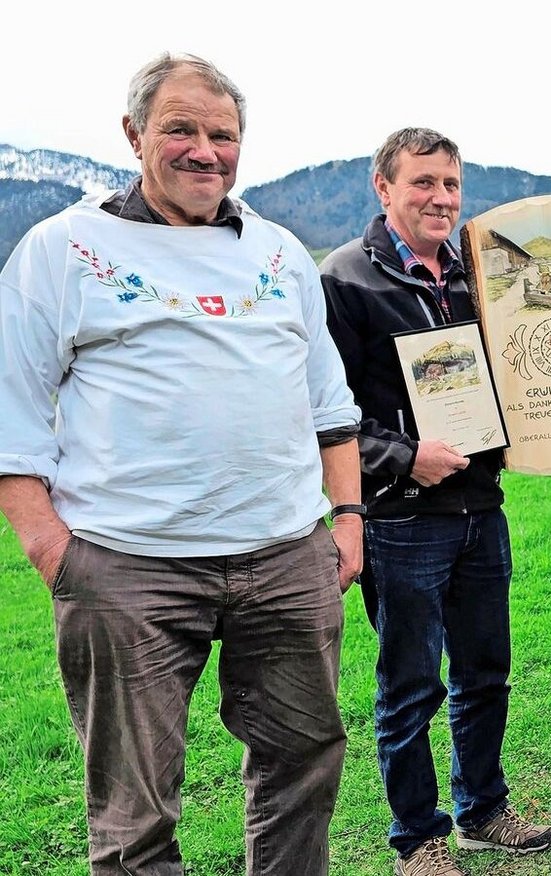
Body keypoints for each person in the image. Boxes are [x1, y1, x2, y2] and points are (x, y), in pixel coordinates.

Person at [0, 52, 361, 876]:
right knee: (135, 810)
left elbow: (329, 402)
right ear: (134, 135)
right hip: (129, 565)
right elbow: (9, 412)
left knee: (303, 767)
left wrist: (346, 519)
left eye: (222, 135)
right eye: (181, 130)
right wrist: (54, 551)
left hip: (285, 556)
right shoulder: (64, 248)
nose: (206, 151)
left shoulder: (278, 253)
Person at [322, 128, 551, 876]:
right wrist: (403, 457)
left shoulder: (479, 274)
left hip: (481, 509)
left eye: (451, 184)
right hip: (401, 520)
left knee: (486, 673)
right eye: (423, 182)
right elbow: (322, 415)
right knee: (411, 686)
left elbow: (523, 373)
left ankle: (482, 810)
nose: (441, 198)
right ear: (383, 187)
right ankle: (417, 838)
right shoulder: (344, 280)